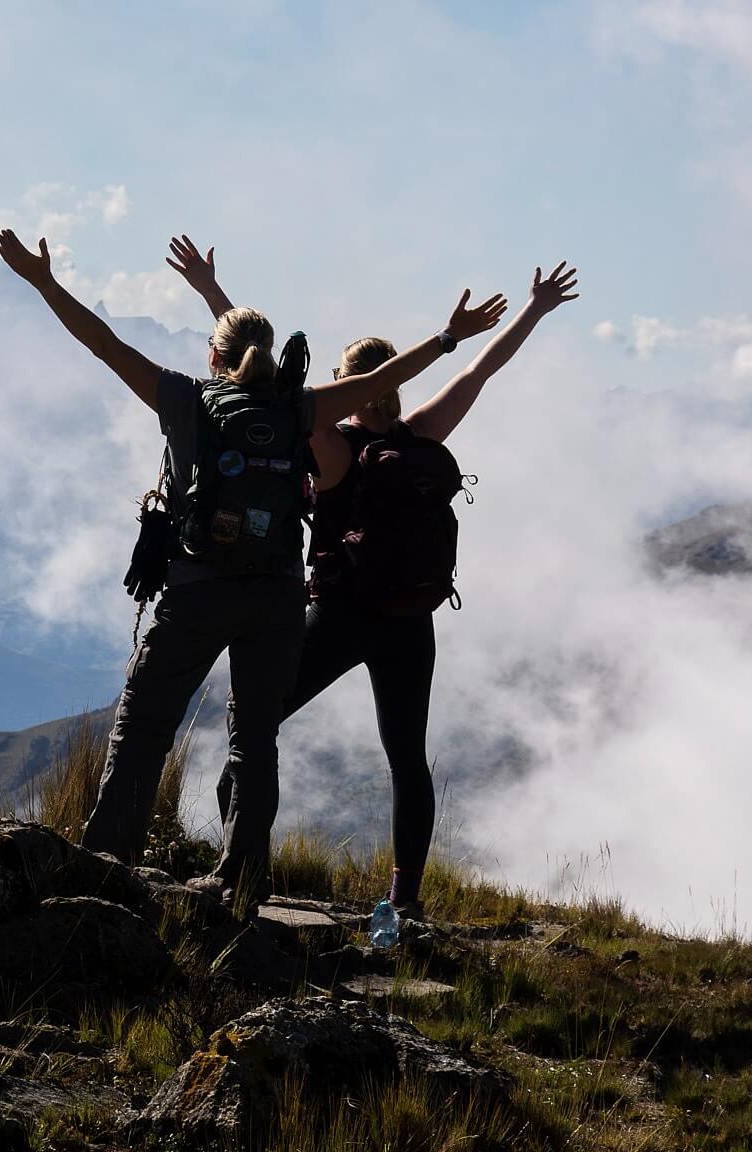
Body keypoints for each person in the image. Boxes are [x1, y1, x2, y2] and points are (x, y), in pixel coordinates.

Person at [0, 227, 507, 909]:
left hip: (199, 593)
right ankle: (242, 883)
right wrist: (446, 339)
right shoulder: (302, 411)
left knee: (146, 726)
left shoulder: (184, 398)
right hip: (278, 598)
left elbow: (104, 344)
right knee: (255, 740)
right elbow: (381, 381)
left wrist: (45, 283)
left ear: (213, 355)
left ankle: (108, 867)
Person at [167, 234, 579, 918]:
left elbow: (265, 378)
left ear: (353, 388)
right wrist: (533, 312)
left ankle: (240, 873)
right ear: (398, 383)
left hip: (336, 613)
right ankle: (405, 903)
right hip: (409, 621)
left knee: (254, 729)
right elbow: (480, 372)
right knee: (407, 759)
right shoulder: (422, 436)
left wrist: (212, 293)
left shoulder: (330, 445)